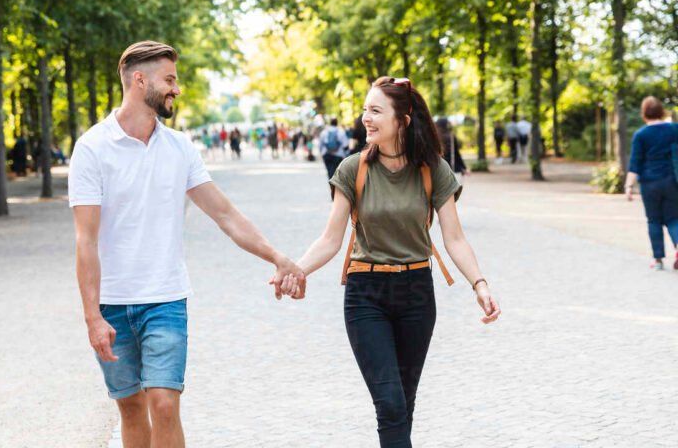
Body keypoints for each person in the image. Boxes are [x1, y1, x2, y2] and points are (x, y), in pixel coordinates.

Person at [68, 41, 305, 448]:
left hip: (165, 298)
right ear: (139, 80)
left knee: (164, 404)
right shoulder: (91, 148)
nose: (176, 89)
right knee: (130, 407)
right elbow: (85, 240)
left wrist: (278, 257)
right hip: (112, 304)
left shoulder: (180, 148)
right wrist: (92, 317)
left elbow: (225, 215)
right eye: (170, 80)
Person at [274, 76, 500, 448]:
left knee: (403, 405)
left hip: (416, 295)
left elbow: (454, 237)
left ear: (403, 120)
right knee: (390, 404)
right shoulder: (352, 169)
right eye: (365, 109)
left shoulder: (433, 170)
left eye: (376, 111)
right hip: (367, 296)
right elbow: (331, 238)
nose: (366, 118)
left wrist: (480, 284)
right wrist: (295, 269)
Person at [625, 96, 678, 270]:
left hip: (649, 183)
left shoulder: (641, 135)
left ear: (644, 113)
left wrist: (628, 186)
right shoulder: (673, 129)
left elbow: (635, 163)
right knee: (673, 218)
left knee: (653, 220)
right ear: (661, 111)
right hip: (671, 181)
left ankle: (658, 259)